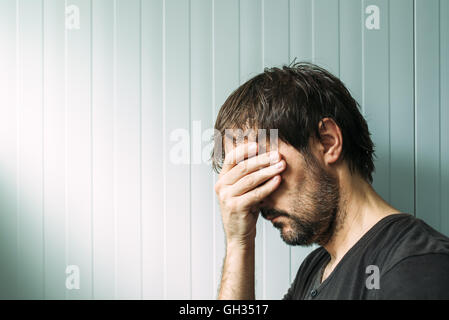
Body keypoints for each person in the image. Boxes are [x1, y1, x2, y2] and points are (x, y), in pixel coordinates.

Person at [211, 61, 449, 300]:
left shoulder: (416, 266)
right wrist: (239, 244)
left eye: (261, 169)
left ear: (327, 141)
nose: (256, 198)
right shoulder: (315, 268)